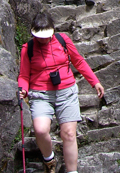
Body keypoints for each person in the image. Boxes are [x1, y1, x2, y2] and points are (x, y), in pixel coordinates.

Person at [18, 11, 104, 173]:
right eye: (40, 36)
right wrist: (23, 89)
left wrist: (94, 82)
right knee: (41, 129)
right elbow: (23, 75)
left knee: (69, 134)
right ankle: (49, 160)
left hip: (66, 92)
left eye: (46, 35)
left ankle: (72, 171)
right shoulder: (27, 49)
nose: (43, 39)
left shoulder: (62, 40)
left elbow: (78, 60)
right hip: (40, 94)